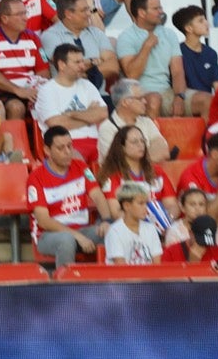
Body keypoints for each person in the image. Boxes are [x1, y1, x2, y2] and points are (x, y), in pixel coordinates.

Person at [28, 125, 108, 268]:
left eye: (70, 146)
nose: (67, 152)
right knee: (66, 240)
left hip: (83, 229)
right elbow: (44, 221)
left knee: (113, 231)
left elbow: (97, 195)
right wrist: (77, 236)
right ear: (47, 150)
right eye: (60, 148)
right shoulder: (35, 178)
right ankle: (67, 286)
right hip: (48, 235)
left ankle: (111, 282)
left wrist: (107, 220)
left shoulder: (81, 166)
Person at [32, 44, 108, 161]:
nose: (83, 66)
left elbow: (103, 113)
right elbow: (57, 124)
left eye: (82, 61)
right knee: (76, 160)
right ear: (62, 65)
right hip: (67, 145)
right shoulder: (47, 90)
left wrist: (72, 114)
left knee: (121, 157)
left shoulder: (87, 85)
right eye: (77, 62)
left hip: (96, 142)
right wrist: (89, 117)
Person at [117, 0, 185, 117]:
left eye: (160, 7)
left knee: (206, 100)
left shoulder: (169, 34)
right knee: (154, 100)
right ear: (142, 13)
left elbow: (178, 72)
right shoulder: (126, 37)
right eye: (156, 8)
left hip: (167, 92)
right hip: (139, 94)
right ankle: (152, 137)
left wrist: (180, 97)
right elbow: (132, 75)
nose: (161, 12)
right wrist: (147, 46)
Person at [104, 181, 164, 264]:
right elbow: (120, 268)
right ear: (126, 206)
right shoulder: (115, 231)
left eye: (146, 203)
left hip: (150, 276)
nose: (145, 208)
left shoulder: (151, 229)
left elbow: (157, 264)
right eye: (141, 203)